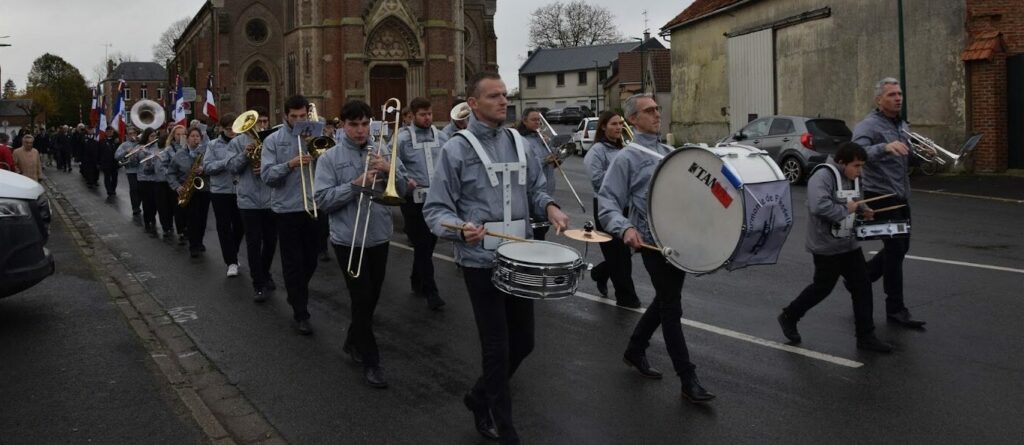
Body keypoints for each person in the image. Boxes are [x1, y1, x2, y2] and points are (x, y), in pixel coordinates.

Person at [424, 72, 569, 444]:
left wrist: (550, 207)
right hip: (479, 263)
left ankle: (478, 396)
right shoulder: (456, 149)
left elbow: (536, 188)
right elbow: (435, 210)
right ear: (473, 103)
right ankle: (504, 427)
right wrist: (459, 228)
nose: (504, 101)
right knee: (497, 347)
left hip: (519, 260)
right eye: (494, 96)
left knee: (524, 342)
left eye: (505, 95)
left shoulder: (520, 143)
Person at [598, 93, 715, 404]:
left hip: (677, 242)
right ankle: (688, 378)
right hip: (652, 244)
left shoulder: (668, 152)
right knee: (672, 308)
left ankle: (635, 349)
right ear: (632, 120)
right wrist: (626, 228)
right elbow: (607, 201)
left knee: (665, 301)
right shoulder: (627, 157)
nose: (656, 114)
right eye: (648, 111)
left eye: (657, 109)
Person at [314, 99, 409, 388]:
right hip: (347, 239)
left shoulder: (383, 150)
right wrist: (355, 185)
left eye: (365, 124)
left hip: (379, 236)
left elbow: (404, 189)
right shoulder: (329, 158)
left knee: (371, 298)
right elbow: (321, 200)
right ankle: (372, 361)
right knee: (361, 297)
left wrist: (390, 168)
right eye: (353, 124)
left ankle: (353, 340)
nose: (360, 130)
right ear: (343, 125)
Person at [777, 142, 894, 352]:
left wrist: (863, 209)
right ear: (842, 162)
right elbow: (818, 205)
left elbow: (857, 200)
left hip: (849, 244)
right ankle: (790, 315)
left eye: (862, 166)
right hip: (825, 245)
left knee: (863, 286)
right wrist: (845, 209)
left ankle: (866, 336)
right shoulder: (822, 176)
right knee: (822, 287)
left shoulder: (854, 176)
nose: (860, 171)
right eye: (857, 166)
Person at [851, 77, 926, 328]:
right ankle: (895, 309)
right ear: (879, 100)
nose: (898, 98)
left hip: (901, 194)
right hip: (880, 196)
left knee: (901, 248)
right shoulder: (868, 126)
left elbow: (906, 157)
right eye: (892, 94)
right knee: (895, 252)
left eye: (899, 93)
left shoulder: (901, 125)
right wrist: (884, 147)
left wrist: (922, 156)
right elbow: (856, 154)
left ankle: (859, 279)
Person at [261, 95, 321, 335]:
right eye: (294, 116)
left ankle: (297, 292)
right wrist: (290, 164)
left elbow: (330, 165)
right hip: (286, 209)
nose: (298, 120)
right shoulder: (273, 140)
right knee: (293, 263)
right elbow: (266, 176)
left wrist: (317, 149)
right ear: (285, 115)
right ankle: (300, 311)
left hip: (313, 205)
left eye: (302, 116)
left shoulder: (315, 136)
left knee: (312, 260)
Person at [396, 97, 449, 310]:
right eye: (422, 114)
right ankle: (431, 291)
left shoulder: (442, 136)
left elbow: (449, 162)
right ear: (413, 115)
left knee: (428, 244)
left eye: (429, 114)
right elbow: (392, 161)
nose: (427, 118)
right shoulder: (401, 138)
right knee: (422, 244)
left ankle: (416, 279)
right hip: (412, 200)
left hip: (436, 199)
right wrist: (403, 178)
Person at [583, 112, 641, 308]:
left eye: (620, 124)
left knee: (625, 253)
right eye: (614, 124)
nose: (618, 127)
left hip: (626, 207)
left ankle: (600, 273)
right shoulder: (597, 151)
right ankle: (627, 299)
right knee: (620, 257)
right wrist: (620, 175)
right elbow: (598, 181)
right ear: (603, 127)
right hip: (606, 208)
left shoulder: (624, 149)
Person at [227, 115, 279, 302]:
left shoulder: (272, 140)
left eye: (266, 121)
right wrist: (245, 154)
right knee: (254, 242)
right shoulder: (237, 141)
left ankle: (264, 272)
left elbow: (280, 166)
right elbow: (232, 167)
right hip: (248, 200)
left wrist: (266, 168)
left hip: (270, 199)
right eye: (260, 122)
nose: (263, 125)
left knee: (271, 241)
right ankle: (258, 283)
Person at [203, 113, 246, 277]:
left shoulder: (243, 143)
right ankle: (231, 262)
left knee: (240, 225)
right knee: (224, 226)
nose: (232, 132)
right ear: (221, 128)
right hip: (220, 191)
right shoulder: (213, 145)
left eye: (235, 129)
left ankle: (232, 253)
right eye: (229, 129)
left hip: (240, 189)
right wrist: (227, 162)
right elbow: (207, 167)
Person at [167, 127, 211, 257]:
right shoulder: (179, 154)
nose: (195, 139)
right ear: (187, 138)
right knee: (192, 219)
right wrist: (176, 186)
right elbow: (171, 173)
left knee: (202, 219)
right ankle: (193, 245)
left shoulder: (206, 153)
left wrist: (204, 169)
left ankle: (200, 241)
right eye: (192, 136)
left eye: (197, 136)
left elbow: (214, 168)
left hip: (204, 190)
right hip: (188, 191)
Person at [516, 108, 557, 240]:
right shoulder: (522, 140)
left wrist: (556, 159)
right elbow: (524, 165)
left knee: (543, 232)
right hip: (531, 196)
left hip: (546, 191)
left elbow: (551, 162)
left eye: (539, 119)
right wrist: (545, 160)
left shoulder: (542, 139)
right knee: (536, 236)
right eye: (534, 120)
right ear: (524, 121)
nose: (538, 122)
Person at [162, 125, 190, 245]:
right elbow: (164, 166)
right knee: (178, 208)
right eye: (178, 134)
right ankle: (181, 231)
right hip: (175, 183)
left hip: (188, 182)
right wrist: (172, 181)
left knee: (189, 209)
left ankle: (189, 228)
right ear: (173, 136)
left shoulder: (189, 148)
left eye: (183, 134)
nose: (180, 137)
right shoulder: (169, 149)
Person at [137, 129, 162, 236]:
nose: (153, 138)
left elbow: (159, 159)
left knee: (155, 201)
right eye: (151, 136)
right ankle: (148, 221)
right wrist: (134, 154)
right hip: (143, 178)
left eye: (155, 136)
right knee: (146, 202)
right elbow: (134, 162)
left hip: (155, 178)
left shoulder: (157, 147)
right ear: (147, 137)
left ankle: (152, 218)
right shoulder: (139, 146)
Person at [114, 127, 144, 219]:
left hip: (141, 170)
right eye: (130, 134)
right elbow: (116, 156)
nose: (132, 135)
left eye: (133, 133)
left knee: (141, 189)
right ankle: (135, 207)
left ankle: (139, 205)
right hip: (131, 170)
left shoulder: (141, 143)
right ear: (127, 135)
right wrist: (126, 151)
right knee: (134, 189)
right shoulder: (124, 145)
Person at [98, 127, 121, 197]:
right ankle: (109, 190)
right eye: (108, 131)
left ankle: (113, 189)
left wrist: (117, 142)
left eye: (111, 131)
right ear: (106, 132)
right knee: (107, 177)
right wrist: (99, 162)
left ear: (113, 132)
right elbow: (99, 153)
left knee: (114, 178)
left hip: (114, 163)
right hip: (106, 163)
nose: (109, 133)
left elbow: (120, 151)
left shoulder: (117, 141)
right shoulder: (102, 141)